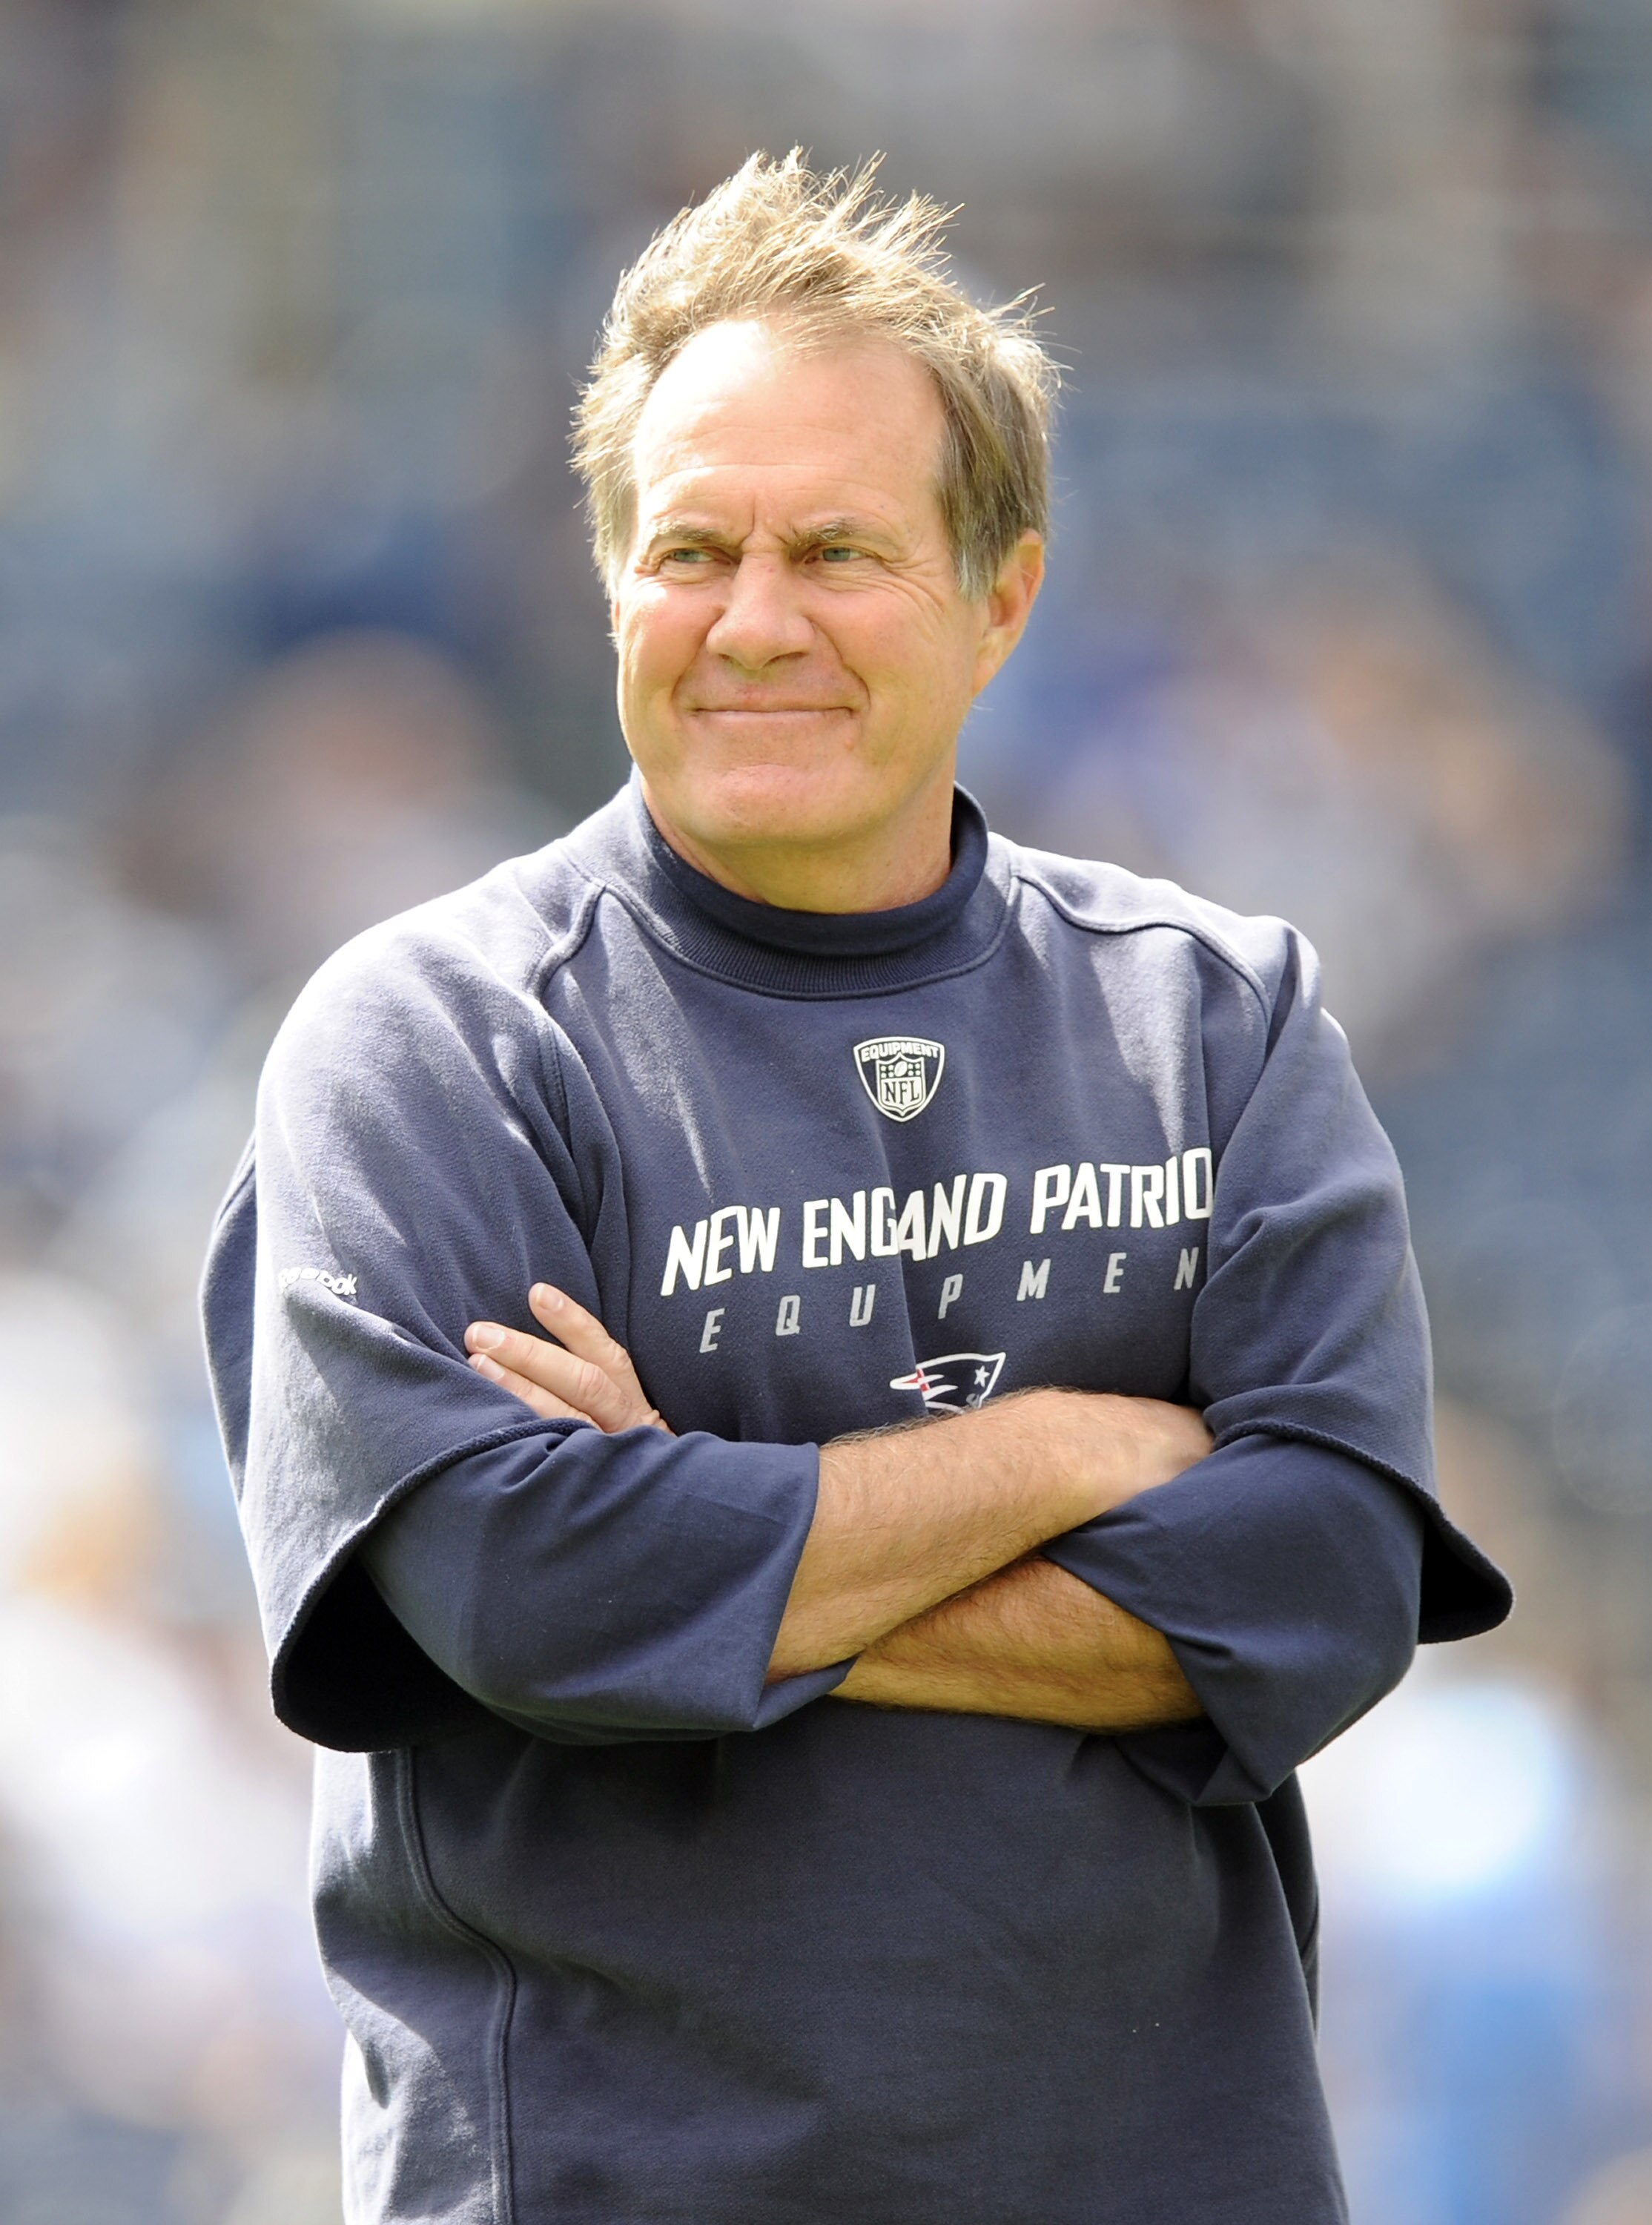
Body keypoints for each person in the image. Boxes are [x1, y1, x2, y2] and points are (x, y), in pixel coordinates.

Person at [202, 154, 1511, 2224]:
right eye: (691, 549)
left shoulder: (1216, 1017)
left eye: (835, 550)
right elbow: (527, 1594)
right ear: (610, 576)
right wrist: (1074, 1450)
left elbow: (1327, 1586)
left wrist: (710, 1536)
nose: (753, 622)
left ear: (999, 595)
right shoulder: (433, 1042)